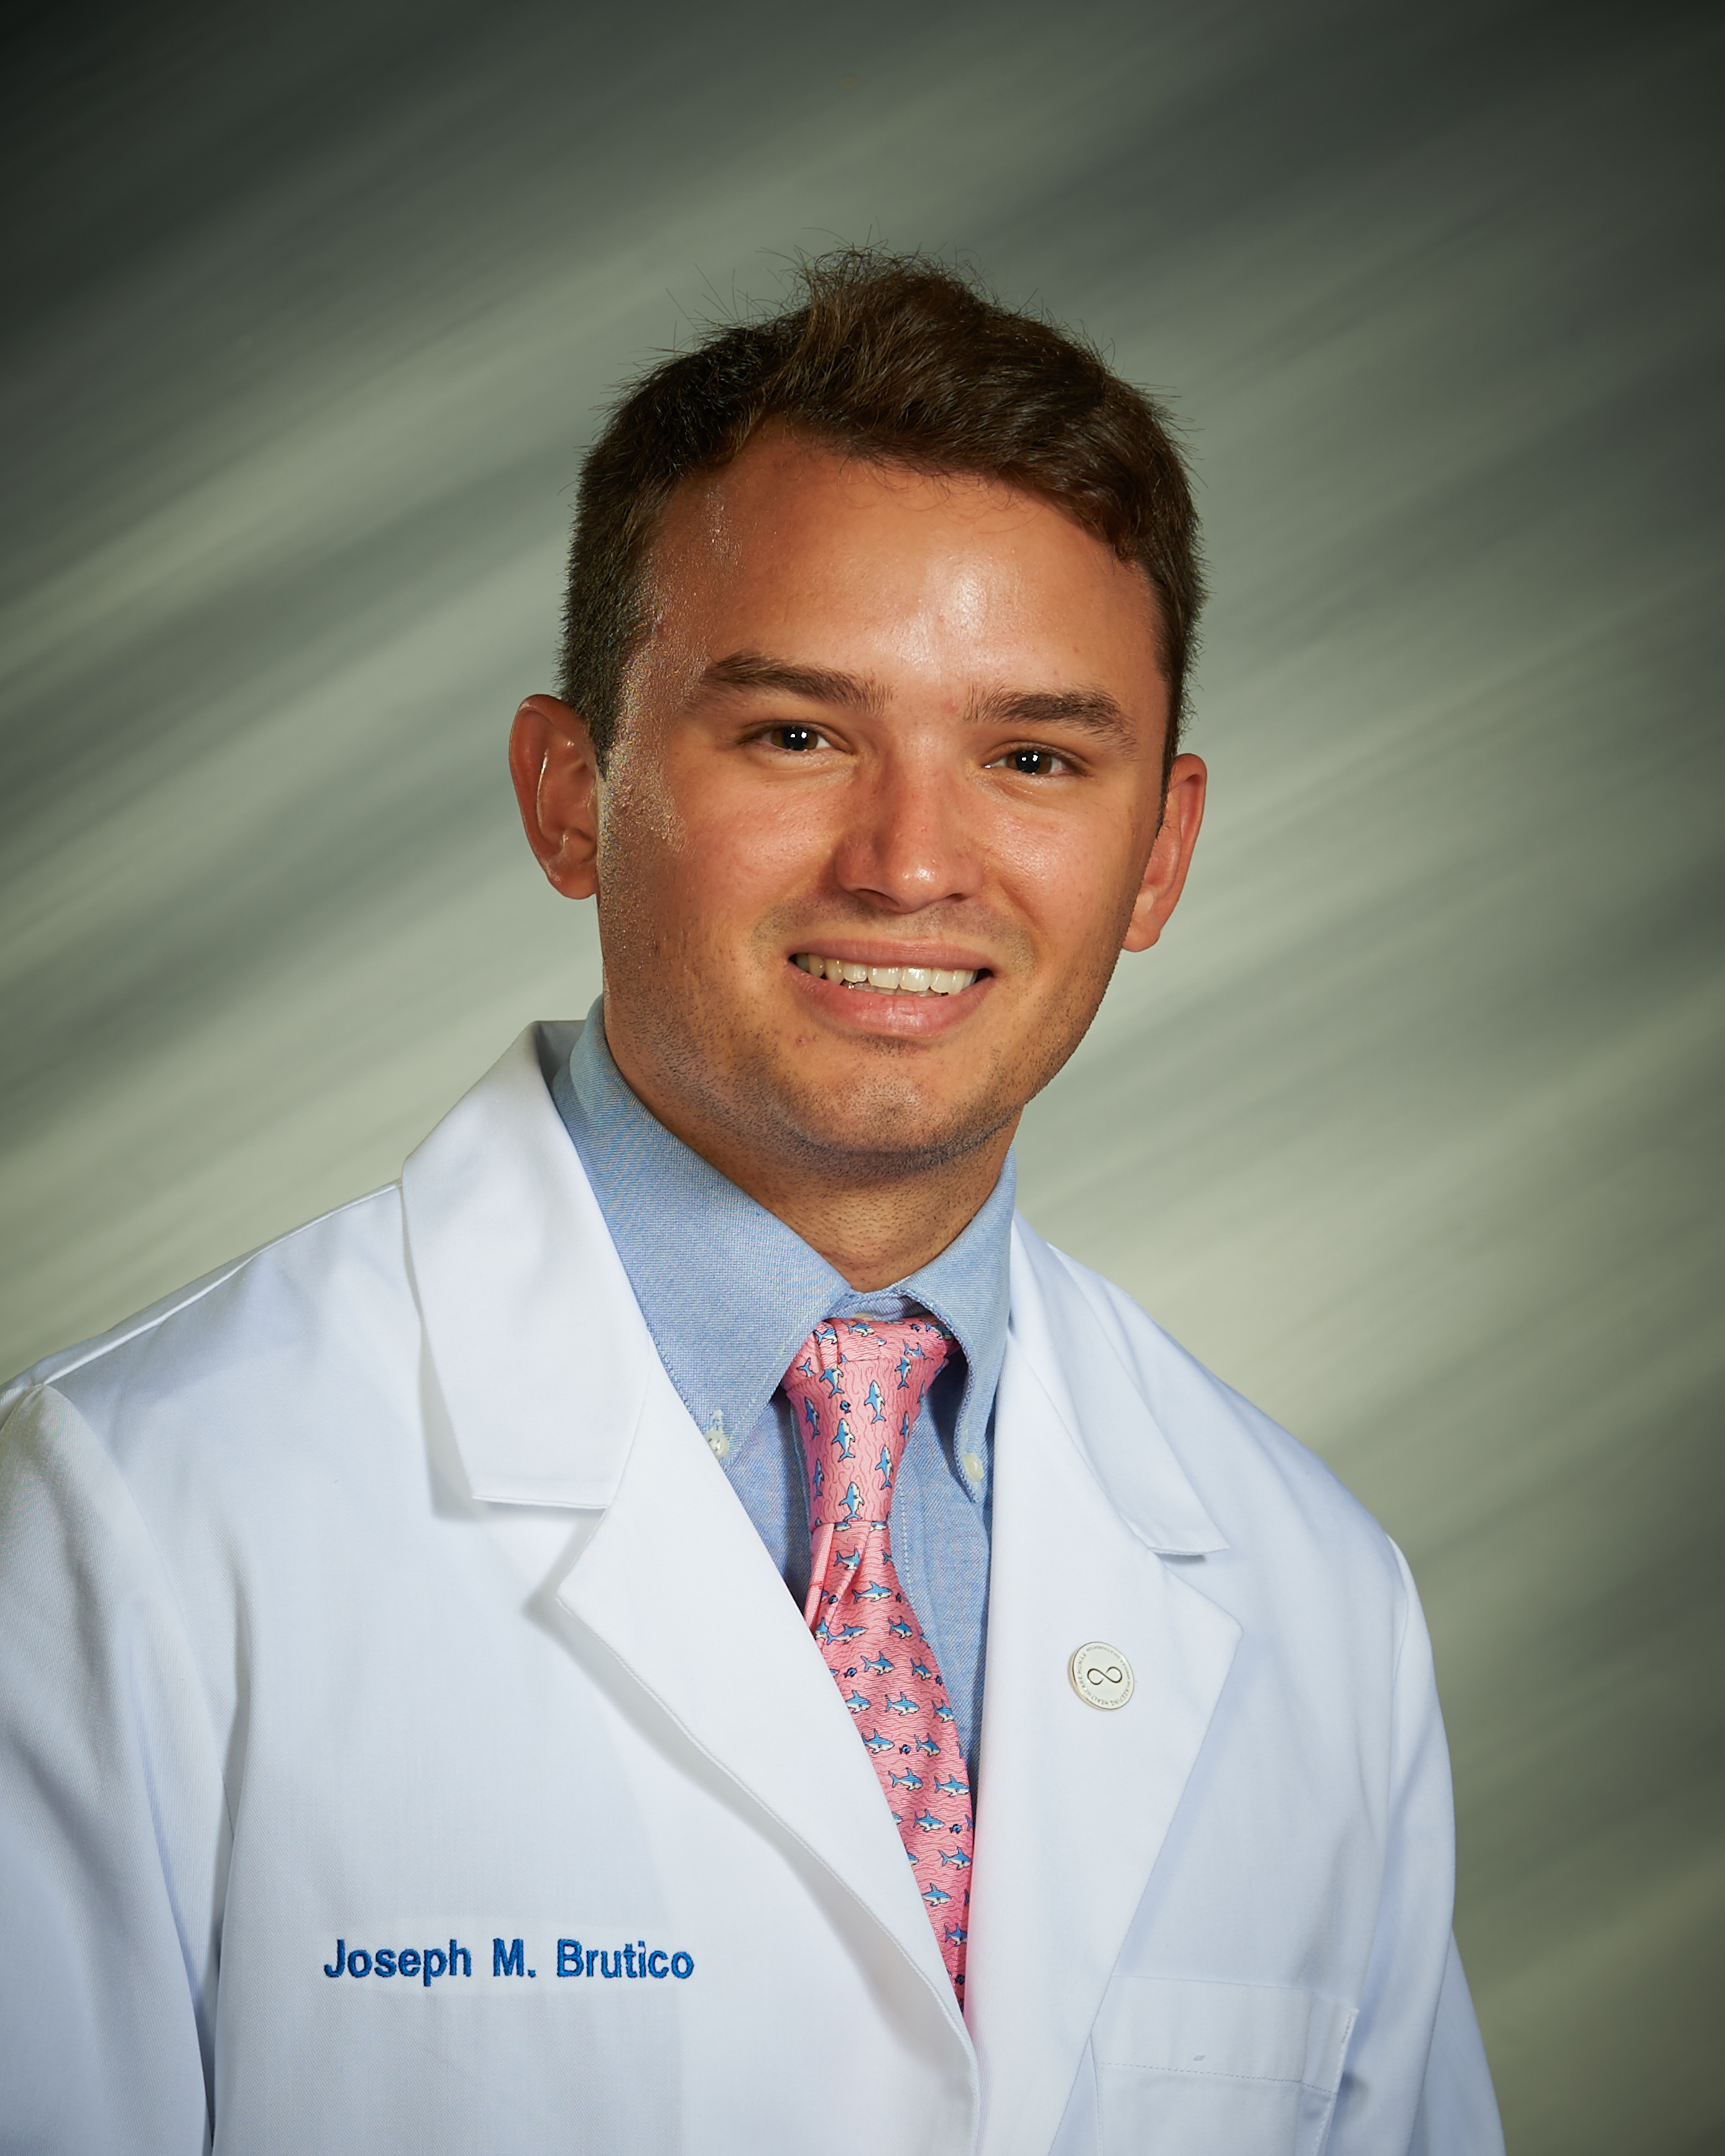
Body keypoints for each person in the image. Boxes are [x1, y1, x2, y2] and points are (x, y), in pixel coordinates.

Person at [0, 250, 1504, 2155]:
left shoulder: (1318, 1600)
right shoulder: (127, 1527)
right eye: (797, 733)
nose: (911, 865)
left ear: (1159, 854)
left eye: (1033, 757)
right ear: (570, 794)